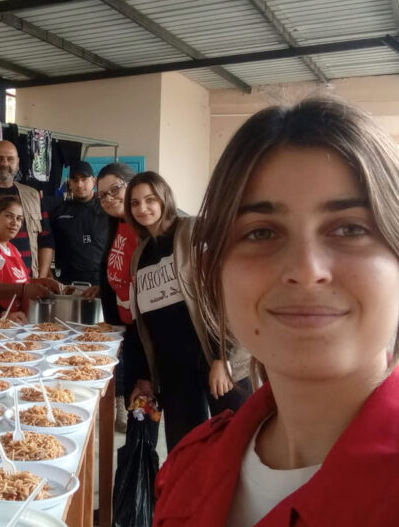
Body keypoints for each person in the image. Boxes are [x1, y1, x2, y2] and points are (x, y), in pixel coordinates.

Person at [155, 98, 399, 526]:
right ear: (215, 271)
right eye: (260, 232)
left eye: (350, 229)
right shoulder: (187, 469)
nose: (306, 270)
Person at [126, 171, 250, 452]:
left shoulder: (193, 231)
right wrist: (147, 375)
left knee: (234, 446)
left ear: (164, 199)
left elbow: (225, 292)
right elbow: (143, 319)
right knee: (185, 452)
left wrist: (223, 357)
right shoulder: (140, 253)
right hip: (175, 371)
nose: (142, 208)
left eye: (150, 199)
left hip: (214, 361)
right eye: (135, 203)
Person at [81, 162, 138, 432]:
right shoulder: (116, 225)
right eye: (102, 195)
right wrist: (104, 288)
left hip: (145, 334)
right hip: (123, 326)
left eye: (115, 189)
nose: (109, 199)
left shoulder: (145, 228)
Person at [0, 140, 54, 277]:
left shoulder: (33, 196)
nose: (4, 164)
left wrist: (41, 278)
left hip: (29, 281)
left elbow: (46, 238)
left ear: (17, 163)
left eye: (10, 159)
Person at [0, 195, 62, 314]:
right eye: (9, 216)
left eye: (19, 218)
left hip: (19, 320)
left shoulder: (13, 249)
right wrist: (25, 289)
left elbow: (20, 281)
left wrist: (43, 282)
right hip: (0, 320)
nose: (15, 223)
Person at [45, 160, 110, 285]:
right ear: (70, 184)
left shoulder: (106, 210)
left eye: (84, 179)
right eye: (75, 180)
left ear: (94, 181)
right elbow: (46, 243)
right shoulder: (58, 211)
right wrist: (47, 272)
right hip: (66, 280)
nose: (79, 184)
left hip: (100, 280)